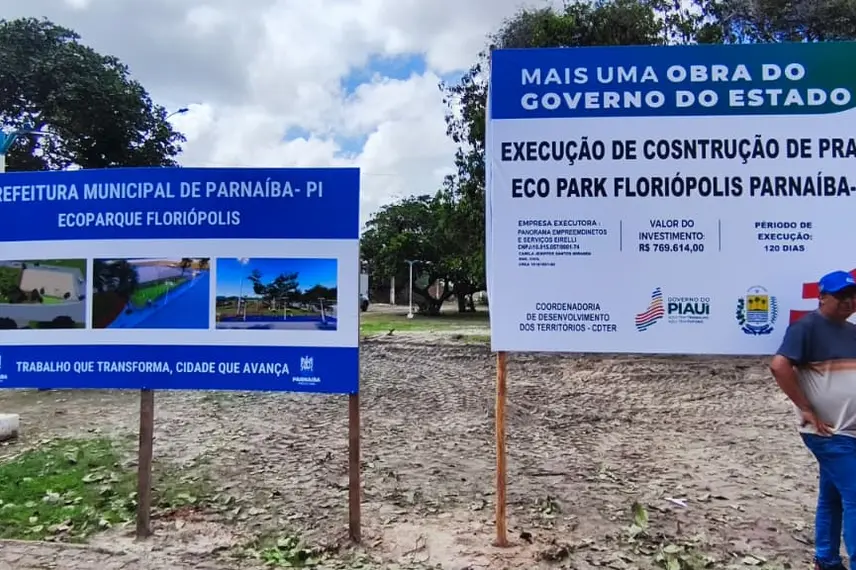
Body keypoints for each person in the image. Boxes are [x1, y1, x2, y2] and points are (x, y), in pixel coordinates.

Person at [770, 270, 856, 570]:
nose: (849, 302)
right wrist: (805, 407)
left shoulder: (852, 332)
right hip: (828, 431)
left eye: (853, 296)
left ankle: (826, 560)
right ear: (822, 297)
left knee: (833, 496)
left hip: (850, 430)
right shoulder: (806, 328)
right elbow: (779, 366)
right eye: (841, 296)